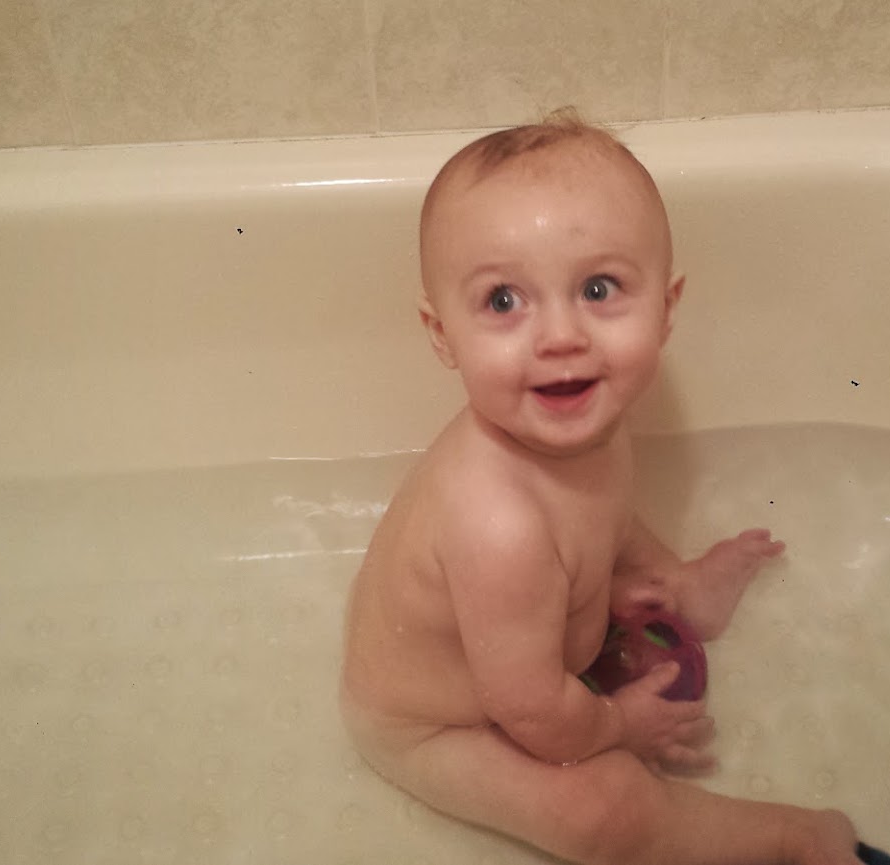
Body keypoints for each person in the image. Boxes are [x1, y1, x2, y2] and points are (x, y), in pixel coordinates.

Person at [339, 109, 862, 865]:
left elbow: (602, 516)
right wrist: (618, 725)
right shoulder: (496, 522)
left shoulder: (582, 419)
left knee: (614, 576)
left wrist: (660, 575)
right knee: (602, 812)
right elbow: (531, 712)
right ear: (443, 334)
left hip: (525, 653)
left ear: (666, 309)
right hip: (436, 724)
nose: (561, 337)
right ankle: (792, 837)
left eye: (598, 287)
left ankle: (681, 587)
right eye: (503, 300)